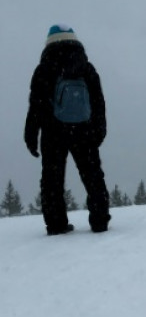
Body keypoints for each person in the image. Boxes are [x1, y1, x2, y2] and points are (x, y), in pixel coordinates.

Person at [24, 25, 110, 235]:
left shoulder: (44, 69)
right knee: (92, 175)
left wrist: (31, 135)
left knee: (52, 179)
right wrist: (100, 129)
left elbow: (36, 105)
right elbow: (98, 102)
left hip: (53, 131)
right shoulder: (86, 68)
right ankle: (99, 221)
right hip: (85, 129)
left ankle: (56, 224)